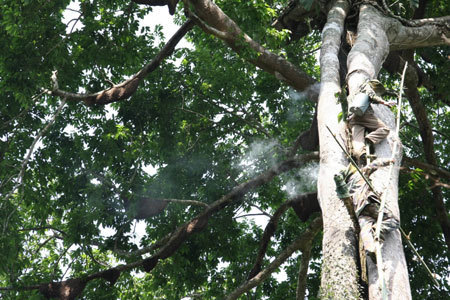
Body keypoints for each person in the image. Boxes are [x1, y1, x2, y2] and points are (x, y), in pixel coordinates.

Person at [334, 160, 399, 256]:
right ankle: (378, 228)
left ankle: (370, 249)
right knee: (393, 221)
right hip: (369, 204)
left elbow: (347, 201)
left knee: (365, 230)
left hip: (360, 213)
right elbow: (374, 165)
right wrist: (388, 161)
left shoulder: (346, 189)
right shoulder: (360, 174)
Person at [347, 80, 395, 162]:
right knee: (384, 129)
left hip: (352, 119)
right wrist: (385, 102)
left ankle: (361, 154)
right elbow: (372, 95)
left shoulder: (353, 95)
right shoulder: (367, 86)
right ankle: (370, 138)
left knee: (357, 140)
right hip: (365, 115)